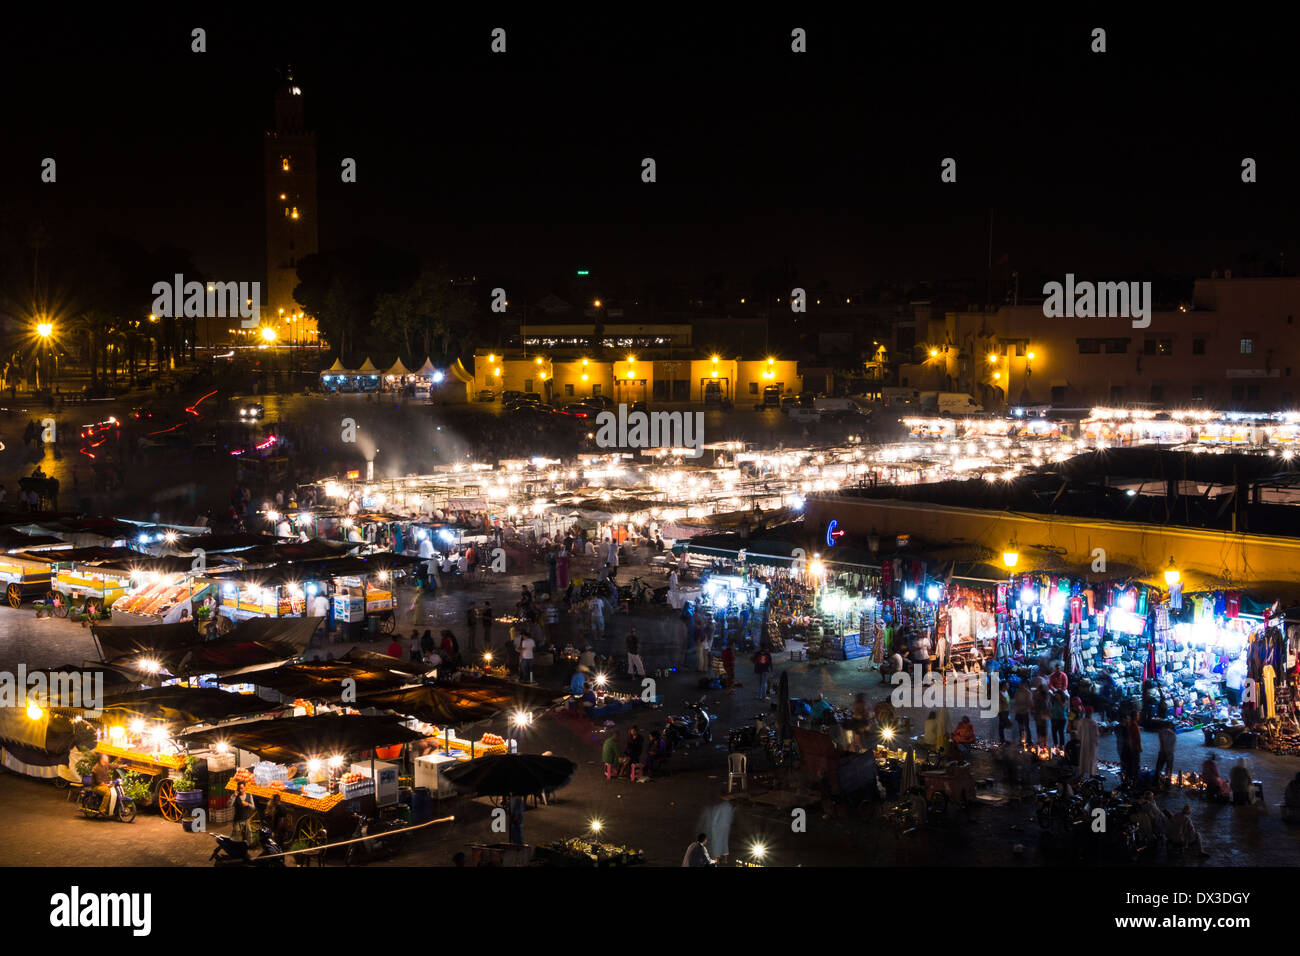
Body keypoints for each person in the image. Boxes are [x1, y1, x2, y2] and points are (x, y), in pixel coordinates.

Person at [1077, 706, 1100, 779]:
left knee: (1083, 757)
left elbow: (1079, 732)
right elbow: (1096, 734)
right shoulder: (1093, 723)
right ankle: (1091, 773)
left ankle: (1082, 773)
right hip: (1092, 744)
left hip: (1083, 742)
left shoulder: (1081, 722)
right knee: (1091, 758)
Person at [232, 780, 256, 845]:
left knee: (248, 837)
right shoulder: (235, 796)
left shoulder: (249, 795)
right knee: (235, 838)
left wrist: (248, 804)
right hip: (237, 820)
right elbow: (228, 805)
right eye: (239, 788)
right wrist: (234, 796)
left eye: (242, 788)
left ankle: (246, 849)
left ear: (245, 788)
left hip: (246, 819)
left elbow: (253, 807)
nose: (240, 790)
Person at [1154, 722, 1177, 787]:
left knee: (1159, 767)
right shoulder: (1173, 735)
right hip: (1170, 753)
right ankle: (1167, 782)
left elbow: (1162, 742)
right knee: (1169, 768)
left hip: (1163, 752)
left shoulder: (1161, 733)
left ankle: (1156, 781)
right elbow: (1173, 745)